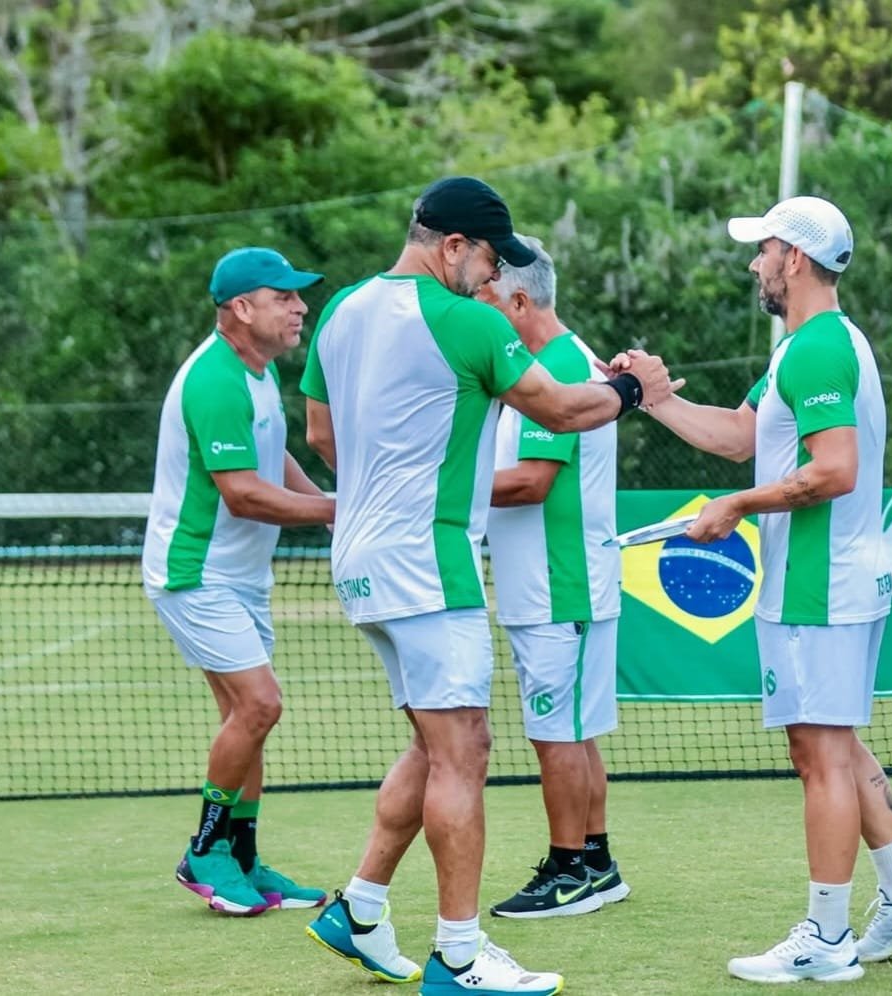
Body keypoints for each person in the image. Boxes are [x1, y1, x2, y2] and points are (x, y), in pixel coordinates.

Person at [300, 177, 676, 995]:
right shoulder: (468, 321)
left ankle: (359, 909)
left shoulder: (342, 310)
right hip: (428, 564)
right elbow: (564, 410)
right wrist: (635, 388)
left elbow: (320, 433)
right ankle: (460, 956)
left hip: (360, 559)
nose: (494, 276)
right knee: (465, 750)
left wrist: (388, 482)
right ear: (452, 246)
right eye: (488, 259)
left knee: (433, 745)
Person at [637, 196, 892, 983]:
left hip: (819, 586)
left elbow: (833, 470)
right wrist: (655, 397)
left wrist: (737, 506)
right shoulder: (808, 349)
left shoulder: (815, 350)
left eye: (764, 249)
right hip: (829, 580)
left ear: (796, 260)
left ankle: (826, 937)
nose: (755, 263)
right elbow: (740, 436)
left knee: (817, 757)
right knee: (834, 745)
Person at [142, 247, 336, 917]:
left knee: (245, 719)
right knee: (259, 707)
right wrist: (338, 512)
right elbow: (245, 494)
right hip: (195, 574)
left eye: (298, 296)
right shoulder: (215, 380)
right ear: (242, 309)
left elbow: (272, 460)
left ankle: (243, 858)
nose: (300, 307)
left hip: (242, 577)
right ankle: (204, 852)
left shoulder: (258, 373)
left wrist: (330, 508)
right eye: (284, 297)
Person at [478, 236, 630, 920]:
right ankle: (596, 862)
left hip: (558, 585)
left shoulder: (559, 368)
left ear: (518, 300)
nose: (476, 307)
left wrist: (438, 489)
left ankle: (568, 871)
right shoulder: (558, 363)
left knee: (556, 734)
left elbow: (532, 482)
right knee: (573, 728)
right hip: (561, 584)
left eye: (484, 294)